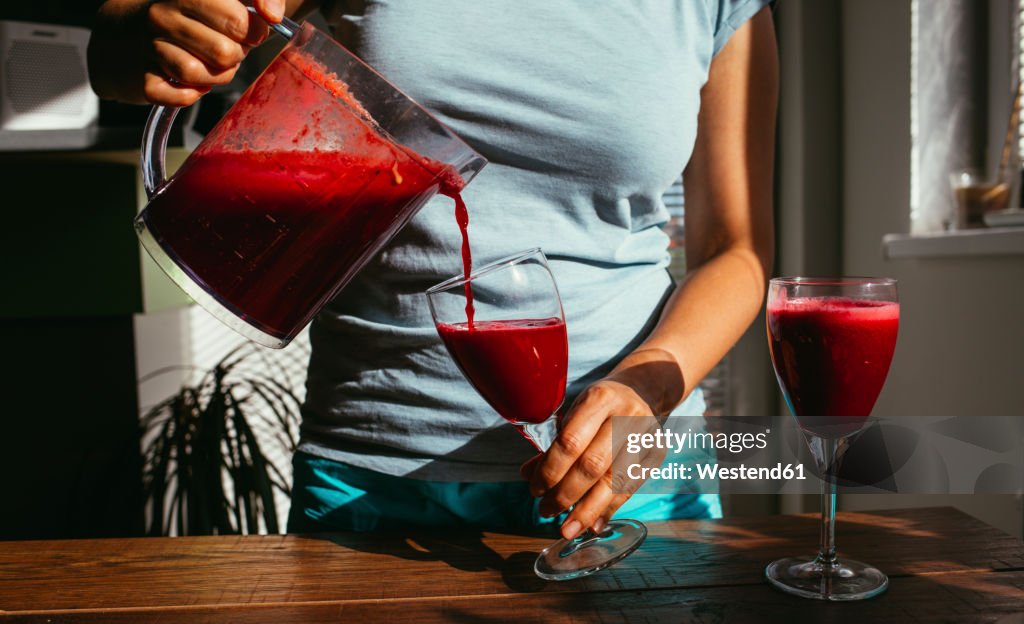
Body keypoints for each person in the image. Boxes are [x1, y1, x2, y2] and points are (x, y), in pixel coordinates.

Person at [89, 0, 777, 539]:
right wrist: (137, 33)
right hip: (376, 472)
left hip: (632, 471)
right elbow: (156, 38)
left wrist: (648, 385)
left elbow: (736, 250)